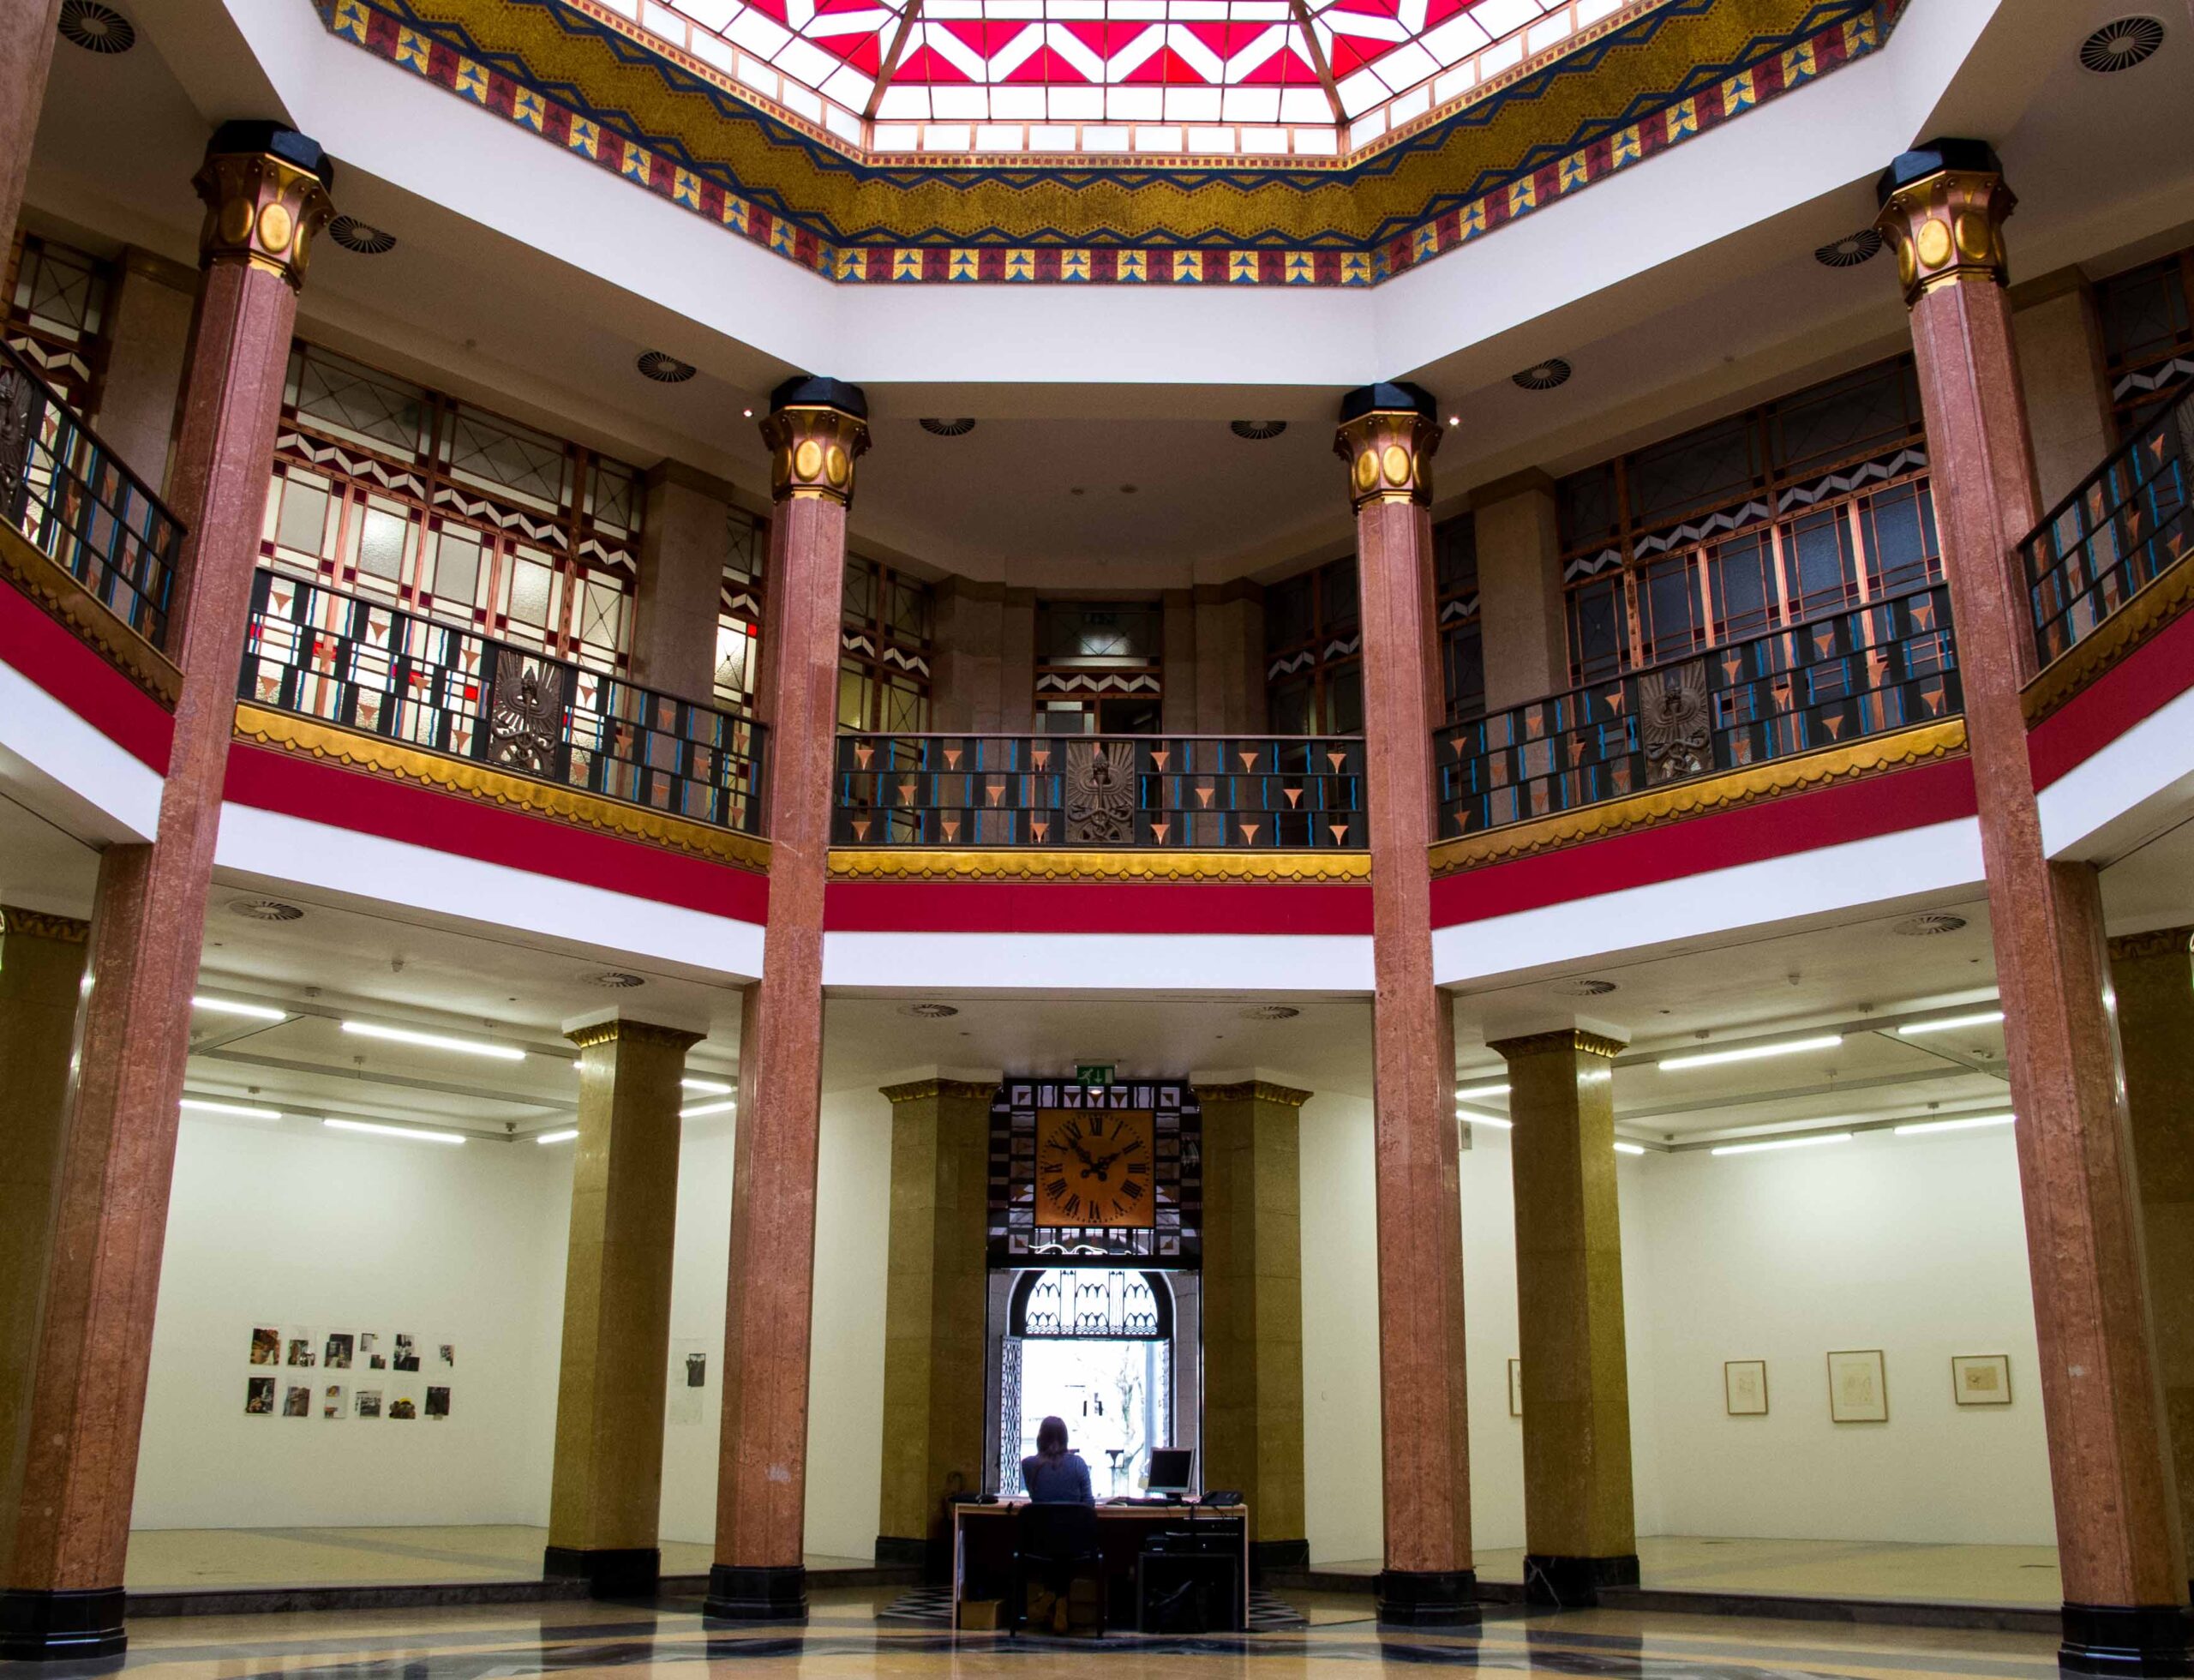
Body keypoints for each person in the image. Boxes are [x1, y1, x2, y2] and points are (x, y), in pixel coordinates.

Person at [1022, 1414, 1094, 1504]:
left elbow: (1035, 1496)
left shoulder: (1028, 1464)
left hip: (1041, 1518)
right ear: (1065, 1439)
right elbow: (1089, 1503)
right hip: (1072, 1518)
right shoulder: (1078, 1464)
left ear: (1040, 1438)